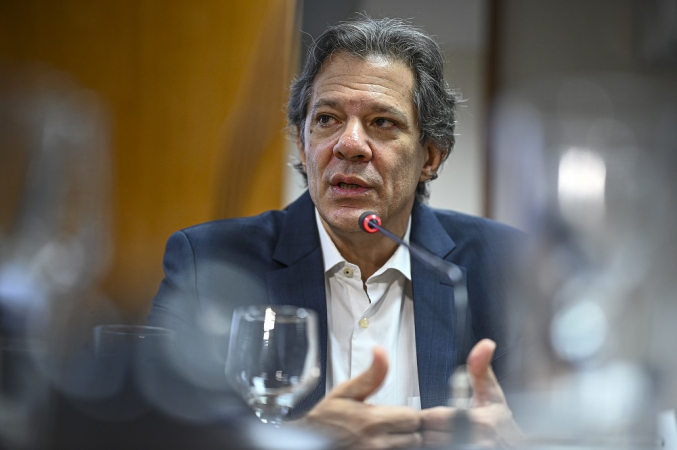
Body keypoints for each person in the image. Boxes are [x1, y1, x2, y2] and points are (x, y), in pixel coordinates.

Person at [149, 17, 523, 448]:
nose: (349, 144)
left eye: (382, 122)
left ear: (430, 157)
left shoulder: (505, 266)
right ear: (302, 144)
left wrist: (519, 442)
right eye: (327, 119)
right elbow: (157, 435)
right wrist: (299, 441)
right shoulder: (210, 262)